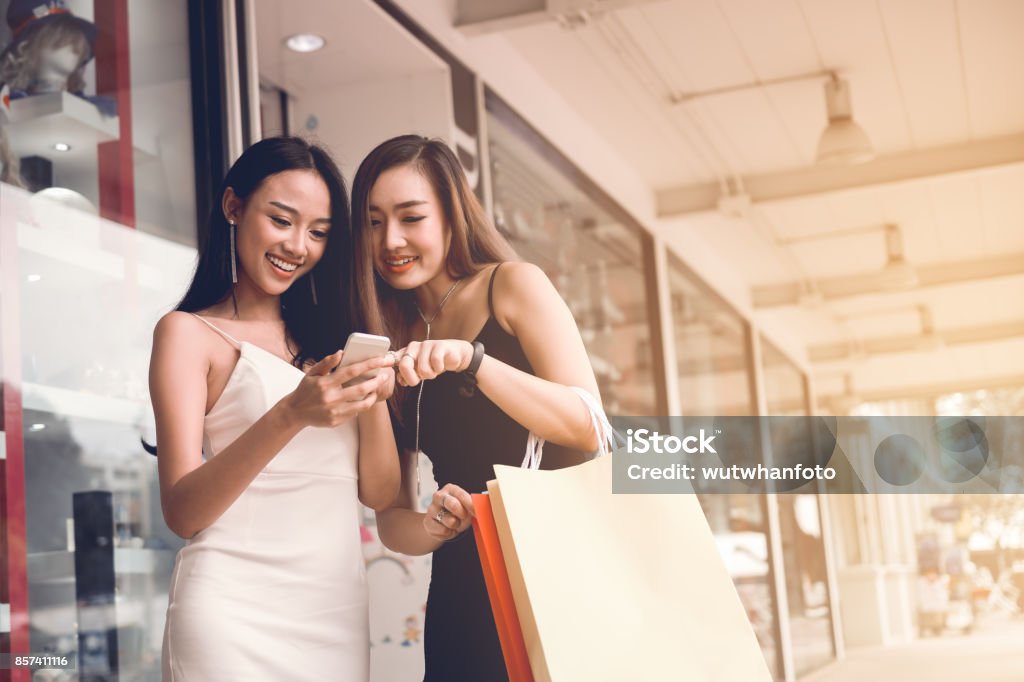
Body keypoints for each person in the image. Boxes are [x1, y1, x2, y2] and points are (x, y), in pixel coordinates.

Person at [351, 135, 604, 680]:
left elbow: (589, 426)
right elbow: (392, 519)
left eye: (410, 217)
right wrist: (435, 526)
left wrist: (473, 360)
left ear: (450, 217)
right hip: (469, 581)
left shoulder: (511, 286)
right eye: (372, 222)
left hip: (557, 566)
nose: (390, 239)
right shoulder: (387, 337)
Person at [150, 136, 400, 681]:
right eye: (282, 220)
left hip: (333, 617)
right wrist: (290, 413)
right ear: (234, 207)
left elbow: (379, 493)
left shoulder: (333, 342)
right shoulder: (188, 334)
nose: (297, 246)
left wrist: (374, 394)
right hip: (229, 618)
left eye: (318, 232)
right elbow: (182, 511)